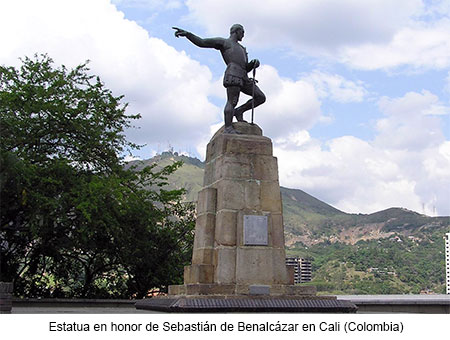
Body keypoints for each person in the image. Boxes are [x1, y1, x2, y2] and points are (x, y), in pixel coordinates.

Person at [173, 24, 266, 134]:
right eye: (242, 32)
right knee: (232, 101)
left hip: (244, 77)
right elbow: (202, 42)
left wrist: (253, 63)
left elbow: (245, 67)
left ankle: (239, 111)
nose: (243, 35)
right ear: (236, 31)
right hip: (233, 74)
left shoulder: (242, 48)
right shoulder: (225, 42)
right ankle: (228, 128)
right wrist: (188, 34)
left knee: (260, 97)